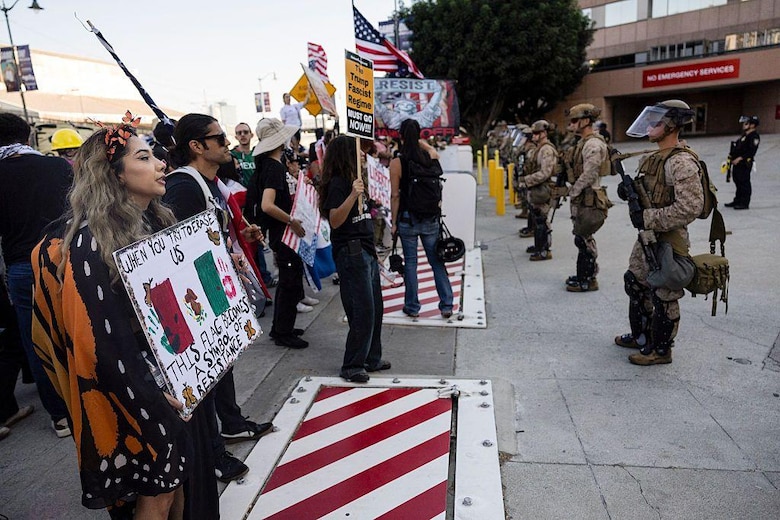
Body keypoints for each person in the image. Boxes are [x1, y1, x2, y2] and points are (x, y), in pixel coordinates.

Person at [31, 117, 190, 518]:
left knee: (173, 482)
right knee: (158, 489)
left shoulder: (151, 221)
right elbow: (96, 341)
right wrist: (151, 392)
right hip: (129, 389)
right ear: (114, 175)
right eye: (145, 156)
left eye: (155, 155)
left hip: (158, 378)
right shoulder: (87, 242)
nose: (160, 164)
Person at [163, 114, 273, 486]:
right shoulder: (183, 185)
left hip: (215, 288)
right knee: (207, 374)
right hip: (199, 296)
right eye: (220, 137)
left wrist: (240, 235)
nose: (228, 143)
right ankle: (210, 453)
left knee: (222, 364)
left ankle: (233, 424)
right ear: (197, 146)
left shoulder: (208, 184)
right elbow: (177, 249)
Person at [0, 112, 72, 438]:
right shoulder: (56, 167)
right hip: (62, 256)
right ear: (28, 136)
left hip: (20, 267)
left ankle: (60, 416)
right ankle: (88, 401)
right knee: (75, 330)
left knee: (37, 343)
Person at [616, 100, 704, 366]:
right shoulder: (653, 158)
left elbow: (691, 207)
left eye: (655, 121)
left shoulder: (681, 162)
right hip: (648, 236)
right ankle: (641, 335)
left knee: (664, 293)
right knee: (635, 281)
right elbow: (651, 192)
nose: (649, 126)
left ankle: (661, 350)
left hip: (669, 239)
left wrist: (648, 217)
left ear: (672, 125)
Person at [319, 135, 389, 383]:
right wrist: (352, 195)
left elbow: (364, 222)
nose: (363, 155)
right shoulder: (339, 184)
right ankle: (352, 365)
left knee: (375, 309)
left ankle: (371, 357)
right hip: (351, 253)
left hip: (365, 251)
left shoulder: (354, 181)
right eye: (358, 151)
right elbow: (336, 221)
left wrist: (374, 253)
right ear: (346, 155)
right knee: (362, 311)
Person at [245, 118, 309, 348]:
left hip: (278, 234)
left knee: (287, 283)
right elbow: (267, 205)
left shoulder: (266, 165)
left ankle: (283, 327)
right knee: (289, 283)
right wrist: (292, 221)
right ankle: (283, 332)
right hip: (283, 235)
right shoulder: (274, 168)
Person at [390, 118, 454, 319]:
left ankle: (412, 306)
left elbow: (395, 196)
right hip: (430, 219)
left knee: (411, 263)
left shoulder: (397, 162)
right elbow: (432, 150)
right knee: (436, 261)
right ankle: (446, 305)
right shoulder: (430, 157)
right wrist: (417, 140)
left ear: (400, 136)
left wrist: (393, 223)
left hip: (408, 219)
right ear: (419, 136)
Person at [563, 103, 612, 293]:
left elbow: (590, 173)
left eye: (574, 121)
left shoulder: (593, 144)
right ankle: (584, 275)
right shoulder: (582, 142)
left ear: (585, 121)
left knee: (583, 239)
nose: (571, 124)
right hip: (583, 198)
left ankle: (588, 278)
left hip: (589, 198)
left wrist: (573, 190)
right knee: (581, 238)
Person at [517, 120, 557, 261]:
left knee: (542, 220)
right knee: (536, 218)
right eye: (533, 133)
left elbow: (545, 172)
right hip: (536, 188)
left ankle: (544, 250)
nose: (533, 136)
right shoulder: (537, 148)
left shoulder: (546, 150)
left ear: (544, 133)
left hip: (542, 188)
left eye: (537, 133)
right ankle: (538, 246)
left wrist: (527, 180)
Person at [725, 115, 760, 210]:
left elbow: (751, 152)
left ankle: (744, 203)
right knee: (737, 181)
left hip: (744, 163)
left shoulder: (754, 137)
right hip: (737, 163)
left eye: (746, 123)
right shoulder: (745, 135)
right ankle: (737, 200)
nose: (744, 125)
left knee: (744, 182)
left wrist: (739, 158)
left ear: (752, 125)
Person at [231, 122, 256, 187]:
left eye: (246, 132)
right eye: (239, 133)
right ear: (236, 137)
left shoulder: (257, 155)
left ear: (251, 135)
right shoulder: (230, 155)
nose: (242, 135)